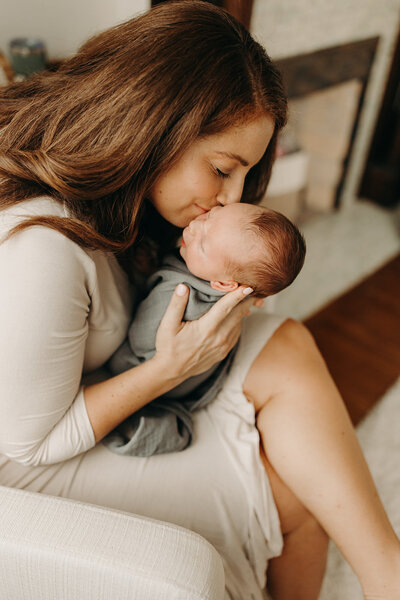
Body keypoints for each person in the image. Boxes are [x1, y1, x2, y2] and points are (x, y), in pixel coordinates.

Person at [0, 2, 399, 599]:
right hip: (30, 466)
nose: (230, 198)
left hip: (101, 387)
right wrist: (170, 368)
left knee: (287, 347)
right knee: (296, 491)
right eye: (221, 168)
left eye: (246, 175)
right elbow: (29, 444)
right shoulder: (43, 247)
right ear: (154, 126)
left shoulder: (122, 199)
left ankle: (386, 572)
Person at [107, 203, 306, 457]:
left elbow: (140, 339)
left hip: (148, 374)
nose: (193, 228)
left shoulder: (179, 295)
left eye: (202, 244)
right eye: (211, 215)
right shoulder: (229, 280)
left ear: (222, 283)